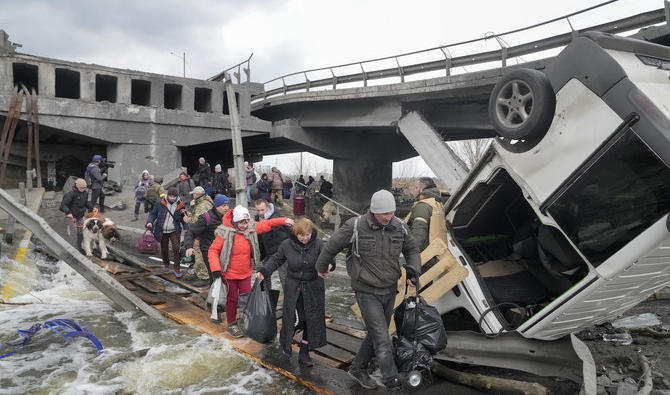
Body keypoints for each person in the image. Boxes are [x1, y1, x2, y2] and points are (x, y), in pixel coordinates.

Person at [315, 189, 421, 394]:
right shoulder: (355, 226)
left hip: (390, 289)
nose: (388, 217)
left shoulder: (399, 226)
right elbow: (330, 248)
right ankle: (393, 384)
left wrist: (413, 270)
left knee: (376, 333)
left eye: (391, 213)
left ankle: (357, 369)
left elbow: (412, 250)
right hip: (365, 290)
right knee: (383, 340)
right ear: (373, 212)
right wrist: (321, 268)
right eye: (384, 214)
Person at [207, 205, 294, 338]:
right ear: (235, 222)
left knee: (246, 298)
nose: (245, 225)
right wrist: (215, 269)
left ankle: (245, 321)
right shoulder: (224, 233)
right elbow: (213, 251)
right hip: (229, 273)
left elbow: (267, 223)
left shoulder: (251, 229)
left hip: (245, 272)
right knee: (232, 299)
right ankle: (231, 324)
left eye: (246, 221)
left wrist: (283, 220)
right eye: (242, 222)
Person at [256, 218, 330, 367]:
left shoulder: (318, 244)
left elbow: (328, 258)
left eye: (308, 234)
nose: (305, 238)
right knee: (297, 319)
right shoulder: (287, 245)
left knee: (312, 319)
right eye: (302, 235)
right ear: (296, 233)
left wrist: (329, 266)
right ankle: (285, 340)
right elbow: (276, 259)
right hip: (293, 287)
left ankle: (304, 350)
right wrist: (265, 271)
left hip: (314, 288)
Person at [184, 194, 231, 285]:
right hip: (209, 250)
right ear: (216, 206)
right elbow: (191, 232)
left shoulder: (228, 216)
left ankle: (223, 295)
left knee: (225, 275)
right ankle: (214, 296)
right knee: (215, 275)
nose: (226, 208)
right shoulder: (206, 217)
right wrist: (189, 246)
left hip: (223, 250)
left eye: (227, 205)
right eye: (223, 205)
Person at [146, 187, 187, 277]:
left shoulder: (181, 205)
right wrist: (149, 222)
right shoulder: (160, 203)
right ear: (167, 195)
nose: (172, 198)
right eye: (170, 196)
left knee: (176, 249)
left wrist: (185, 227)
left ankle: (177, 268)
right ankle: (166, 263)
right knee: (164, 249)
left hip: (174, 230)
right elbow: (153, 214)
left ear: (177, 196)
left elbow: (184, 219)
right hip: (162, 230)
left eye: (174, 196)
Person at [254, 199, 290, 290]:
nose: (260, 213)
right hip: (267, 253)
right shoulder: (257, 219)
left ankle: (289, 301)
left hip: (281, 253)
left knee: (284, 278)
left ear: (268, 207)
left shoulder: (278, 217)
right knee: (263, 276)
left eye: (262, 210)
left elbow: (290, 233)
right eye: (258, 210)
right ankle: (266, 298)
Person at [405, 177, 447, 253]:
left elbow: (418, 235)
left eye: (416, 187)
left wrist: (411, 255)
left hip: (426, 254)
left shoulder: (423, 206)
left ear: (422, 189)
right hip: (438, 251)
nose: (414, 190)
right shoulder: (438, 204)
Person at [183, 186, 214, 285]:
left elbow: (197, 221)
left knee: (200, 255)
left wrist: (187, 219)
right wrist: (189, 212)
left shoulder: (202, 206)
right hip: (201, 233)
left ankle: (204, 277)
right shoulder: (202, 202)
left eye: (194, 194)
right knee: (198, 254)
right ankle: (198, 273)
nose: (193, 195)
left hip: (201, 234)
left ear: (197, 195)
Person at [60, 178, 93, 249]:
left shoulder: (85, 193)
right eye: (81, 188)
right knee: (74, 232)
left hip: (80, 215)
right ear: (77, 187)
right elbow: (63, 205)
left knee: (81, 231)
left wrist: (92, 207)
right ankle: (72, 248)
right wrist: (68, 212)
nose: (83, 189)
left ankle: (80, 246)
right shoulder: (70, 194)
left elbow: (86, 203)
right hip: (71, 216)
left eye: (84, 188)